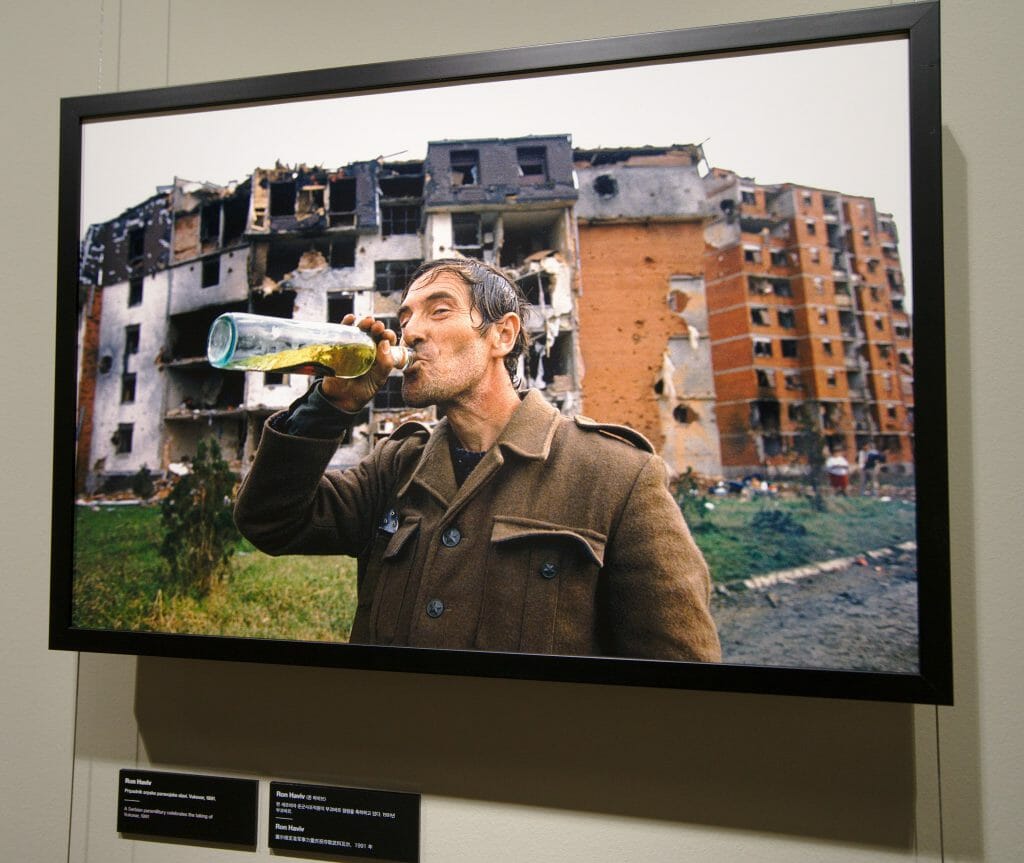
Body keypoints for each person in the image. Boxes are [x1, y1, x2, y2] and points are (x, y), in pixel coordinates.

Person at [234, 258, 721, 662]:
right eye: (405, 319)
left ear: (502, 336)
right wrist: (331, 405)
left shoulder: (615, 475)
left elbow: (680, 675)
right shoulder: (395, 467)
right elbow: (270, 521)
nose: (411, 333)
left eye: (438, 311)